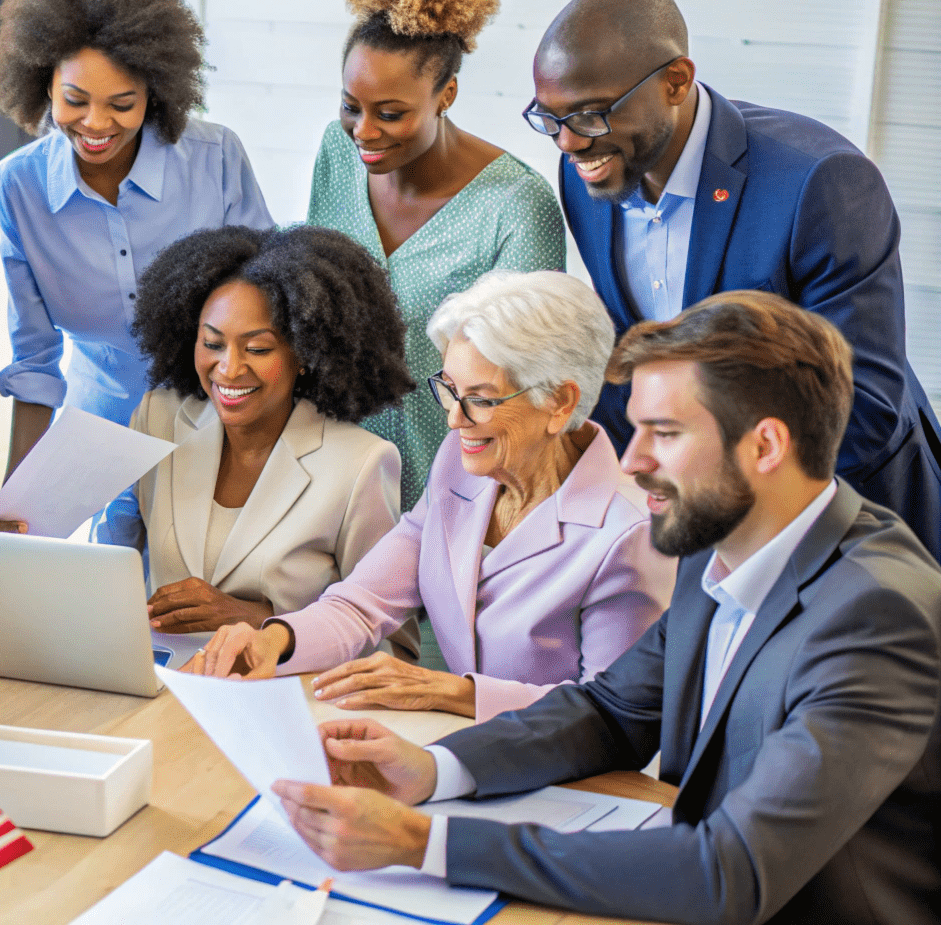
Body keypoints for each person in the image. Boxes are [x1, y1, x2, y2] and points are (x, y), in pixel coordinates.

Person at [268, 292, 941, 925]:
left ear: (764, 446)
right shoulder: (725, 540)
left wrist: (428, 844)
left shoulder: (877, 614)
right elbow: (612, 710)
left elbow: (729, 870)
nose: (634, 459)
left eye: (665, 434)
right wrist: (437, 770)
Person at [527, 0, 941, 561]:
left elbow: (864, 408)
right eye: (550, 118)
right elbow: (637, 361)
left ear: (676, 81)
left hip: (849, 536)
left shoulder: (819, 183)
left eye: (590, 115)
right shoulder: (587, 171)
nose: (567, 143)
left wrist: (705, 494)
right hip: (692, 530)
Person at [183, 272, 674, 722]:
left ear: (560, 401)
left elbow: (616, 711)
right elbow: (362, 603)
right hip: (459, 755)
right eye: (449, 389)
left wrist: (452, 692)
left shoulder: (627, 536)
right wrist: (275, 640)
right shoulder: (460, 467)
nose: (454, 419)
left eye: (480, 399)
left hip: (569, 785)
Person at [307, 0, 564, 507]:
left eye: (391, 114)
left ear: (446, 93)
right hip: (332, 475)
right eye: (352, 107)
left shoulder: (517, 205)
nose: (364, 133)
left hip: (458, 487)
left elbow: (526, 387)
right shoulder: (337, 152)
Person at [0, 0, 273, 469]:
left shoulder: (216, 159)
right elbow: (34, 359)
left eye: (122, 103)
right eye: (75, 99)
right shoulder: (17, 187)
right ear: (44, 85)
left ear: (155, 94)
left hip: (217, 415)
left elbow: (267, 306)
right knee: (109, 549)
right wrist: (16, 496)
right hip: (99, 423)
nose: (96, 123)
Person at [98, 225, 414, 640]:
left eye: (258, 349)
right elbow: (110, 564)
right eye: (212, 344)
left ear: (304, 351)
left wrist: (258, 621)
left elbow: (390, 643)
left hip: (278, 695)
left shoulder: (360, 465)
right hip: (159, 684)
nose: (228, 369)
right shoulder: (159, 419)